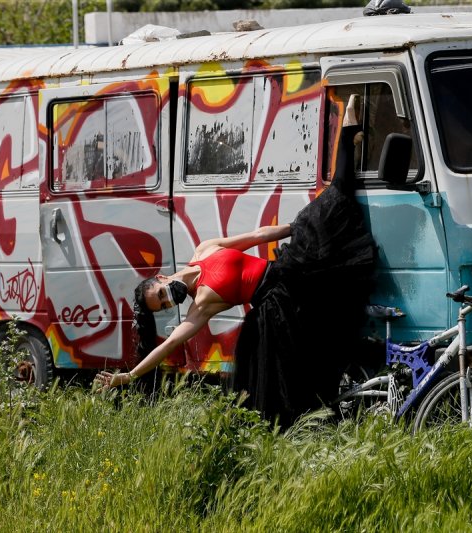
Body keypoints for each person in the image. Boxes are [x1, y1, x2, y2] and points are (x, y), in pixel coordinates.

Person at [95, 99, 376, 426]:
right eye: (163, 306)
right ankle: (338, 412)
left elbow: (257, 236)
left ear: (160, 277)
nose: (168, 300)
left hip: (287, 272)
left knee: (331, 208)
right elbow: (170, 343)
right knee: (310, 364)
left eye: (160, 295)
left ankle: (348, 135)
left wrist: (295, 228)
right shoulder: (200, 306)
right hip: (276, 306)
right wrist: (129, 376)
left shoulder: (204, 249)